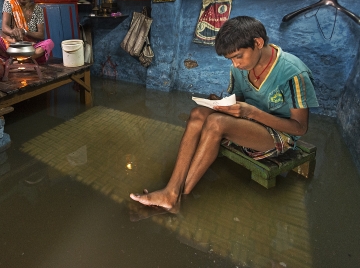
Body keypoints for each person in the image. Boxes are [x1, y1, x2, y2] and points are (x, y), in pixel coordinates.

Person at [130, 16, 319, 211]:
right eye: (231, 59)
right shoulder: (239, 69)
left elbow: (300, 128)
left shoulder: (293, 73)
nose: (236, 64)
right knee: (198, 114)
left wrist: (252, 113)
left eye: (239, 56)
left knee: (216, 123)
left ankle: (176, 195)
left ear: (258, 43)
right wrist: (221, 103)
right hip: (248, 121)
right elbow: (238, 99)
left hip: (278, 135)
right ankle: (171, 190)